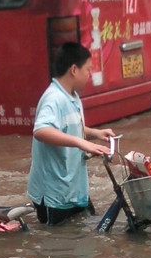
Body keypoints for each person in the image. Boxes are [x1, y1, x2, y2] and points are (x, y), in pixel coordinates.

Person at [27, 41, 115, 225]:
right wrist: (80, 142)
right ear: (74, 69)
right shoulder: (54, 98)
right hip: (55, 194)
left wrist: (95, 133)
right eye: (88, 70)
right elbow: (41, 130)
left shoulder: (72, 96)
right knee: (60, 247)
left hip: (74, 188)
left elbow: (71, 128)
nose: (89, 75)